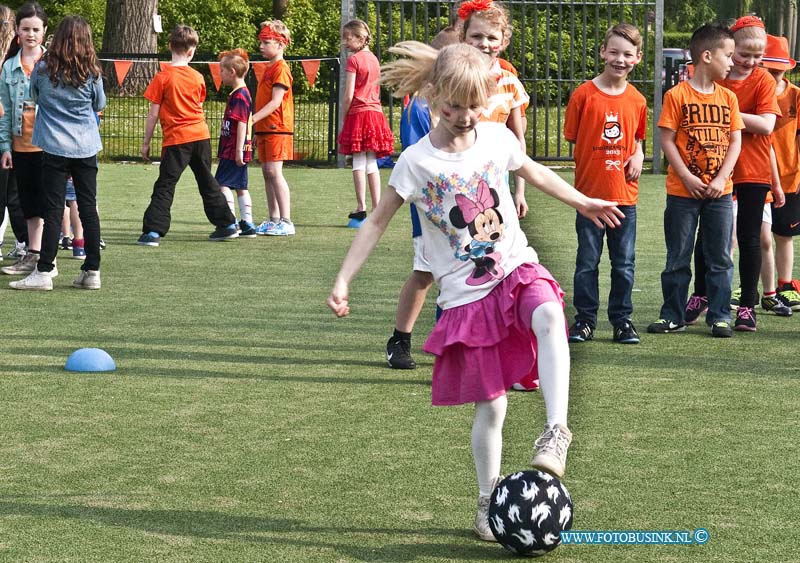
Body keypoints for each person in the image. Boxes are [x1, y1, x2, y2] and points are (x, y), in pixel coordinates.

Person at [327, 42, 623, 541]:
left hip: (513, 266)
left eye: (474, 106)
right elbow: (377, 222)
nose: (465, 117)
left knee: (551, 314)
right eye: (453, 107)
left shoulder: (495, 137)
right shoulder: (416, 162)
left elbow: (534, 172)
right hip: (465, 296)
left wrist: (583, 201)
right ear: (432, 97)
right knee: (493, 406)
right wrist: (343, 277)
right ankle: (488, 502)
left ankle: (556, 431)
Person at [684, 16, 782, 331]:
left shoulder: (764, 80)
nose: (750, 62)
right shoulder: (718, 74)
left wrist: (723, 109)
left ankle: (747, 305)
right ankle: (701, 294)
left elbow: (767, 125)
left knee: (750, 237)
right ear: (728, 49)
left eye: (758, 56)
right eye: (743, 54)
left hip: (752, 170)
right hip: (712, 168)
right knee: (708, 236)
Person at [647, 24, 744, 338]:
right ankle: (672, 315)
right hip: (682, 192)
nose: (732, 62)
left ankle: (719, 316)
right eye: (727, 55)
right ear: (706, 56)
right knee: (678, 256)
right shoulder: (676, 95)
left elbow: (735, 142)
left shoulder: (728, 98)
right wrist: (687, 177)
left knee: (719, 257)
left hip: (720, 193)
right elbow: (667, 140)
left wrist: (721, 178)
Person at [563, 23, 647, 344]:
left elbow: (637, 136)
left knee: (624, 264)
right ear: (602, 52)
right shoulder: (583, 95)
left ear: (637, 58)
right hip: (589, 199)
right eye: (613, 52)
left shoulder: (638, 100)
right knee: (587, 262)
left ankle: (622, 321)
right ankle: (585, 320)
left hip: (624, 197)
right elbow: (574, 138)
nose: (619, 59)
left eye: (627, 54)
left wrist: (638, 151)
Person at [9, 15, 104, 290]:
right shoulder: (92, 71)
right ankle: (92, 270)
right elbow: (100, 102)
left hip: (53, 146)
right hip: (85, 146)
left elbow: (34, 96)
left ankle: (45, 269)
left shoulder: (42, 69)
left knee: (52, 209)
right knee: (88, 207)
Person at [385, 26, 460, 370]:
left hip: (469, 206)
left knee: (463, 275)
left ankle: (454, 345)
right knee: (426, 274)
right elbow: (417, 157)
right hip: (432, 208)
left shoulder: (469, 99)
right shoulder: (419, 106)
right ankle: (400, 339)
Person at [137, 25, 238, 247]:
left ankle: (153, 231)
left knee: (165, 184)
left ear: (170, 46)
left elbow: (153, 114)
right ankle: (227, 224)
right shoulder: (198, 77)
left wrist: (146, 142)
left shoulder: (162, 78)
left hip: (176, 140)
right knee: (207, 181)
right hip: (200, 137)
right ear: (192, 51)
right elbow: (198, 105)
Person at [0, 1, 46, 276]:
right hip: (20, 143)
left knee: (49, 202)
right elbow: (4, 113)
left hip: (49, 142)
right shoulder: (8, 68)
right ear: (17, 31)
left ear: (44, 31)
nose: (30, 34)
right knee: (28, 203)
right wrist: (5, 147)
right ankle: (32, 253)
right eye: (25, 28)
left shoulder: (52, 64)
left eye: (35, 29)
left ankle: (46, 257)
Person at [337, 18, 394, 226]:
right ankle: (377, 206)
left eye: (348, 38)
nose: (345, 43)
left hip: (359, 113)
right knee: (371, 162)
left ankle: (361, 207)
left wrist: (345, 114)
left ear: (360, 38)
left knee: (358, 161)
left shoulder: (354, 60)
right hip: (376, 113)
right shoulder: (374, 59)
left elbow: (349, 93)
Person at [762, 35, 800, 310]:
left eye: (779, 69)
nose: (774, 73)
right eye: (769, 68)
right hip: (756, 177)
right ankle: (754, 283)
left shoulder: (796, 96)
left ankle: (786, 284)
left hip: (790, 176)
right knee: (754, 235)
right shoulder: (753, 94)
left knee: (784, 235)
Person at [252, 20, 295, 236]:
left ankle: (286, 220)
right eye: (261, 41)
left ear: (280, 44)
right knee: (267, 173)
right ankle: (273, 218)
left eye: (266, 42)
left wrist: (251, 119)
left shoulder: (281, 69)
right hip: (265, 127)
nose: (261, 46)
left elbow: (276, 102)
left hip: (277, 126)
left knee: (275, 172)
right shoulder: (269, 67)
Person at [215, 48, 255, 237]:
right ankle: (247, 223)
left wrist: (238, 150)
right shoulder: (241, 93)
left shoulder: (239, 95)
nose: (220, 74)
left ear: (232, 72)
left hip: (233, 150)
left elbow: (241, 124)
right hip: (237, 149)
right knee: (240, 186)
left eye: (222, 71)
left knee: (221, 184)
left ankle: (229, 222)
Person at [0, 3, 27, 262]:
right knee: (14, 195)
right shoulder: (17, 59)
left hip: (9, 135)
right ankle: (25, 244)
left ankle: (24, 244)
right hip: (15, 135)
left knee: (11, 195)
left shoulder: (11, 63)